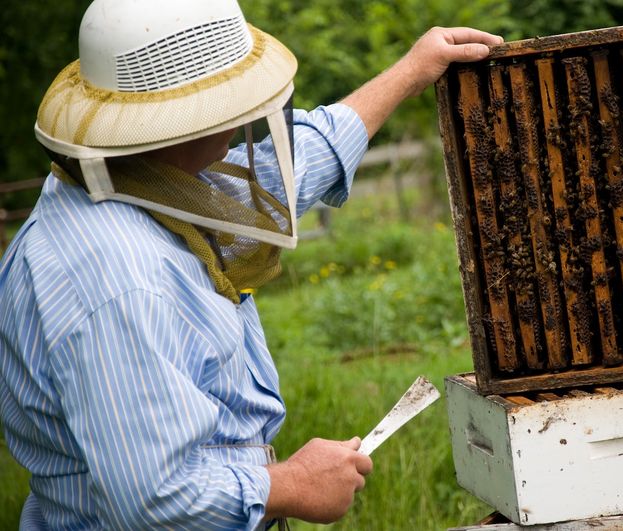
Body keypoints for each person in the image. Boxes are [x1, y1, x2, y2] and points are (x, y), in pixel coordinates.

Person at [0, 0, 502, 529]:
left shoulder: (146, 177)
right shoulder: (118, 282)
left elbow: (293, 165)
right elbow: (157, 497)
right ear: (179, 120)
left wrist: (411, 70)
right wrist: (291, 484)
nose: (241, 122)